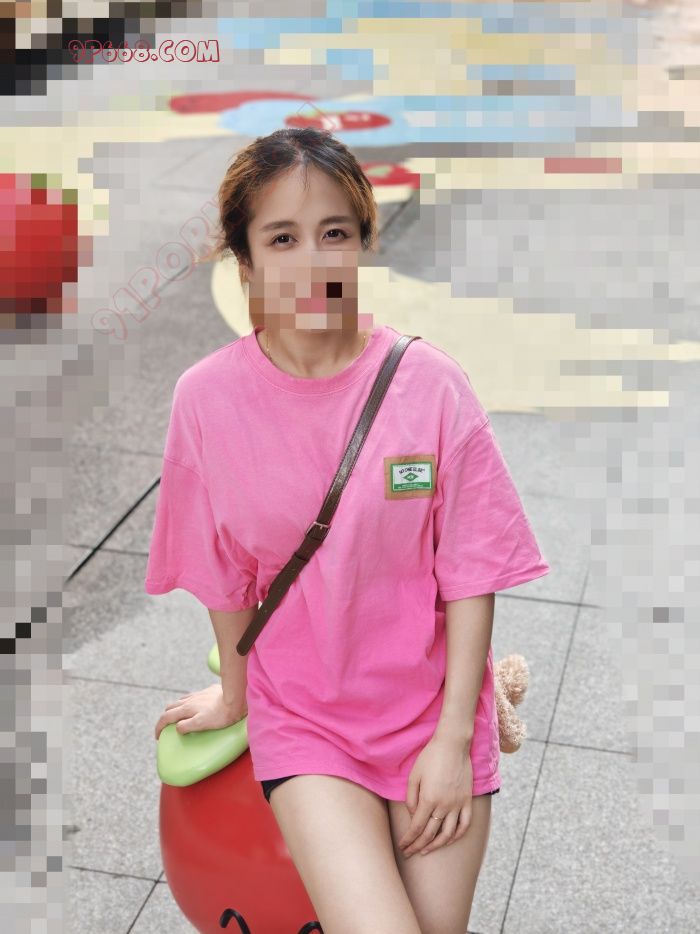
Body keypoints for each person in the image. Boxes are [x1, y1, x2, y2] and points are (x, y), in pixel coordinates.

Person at [145, 127, 550, 933]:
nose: (313, 261)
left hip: (433, 712)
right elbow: (222, 578)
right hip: (308, 718)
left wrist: (452, 739)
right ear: (244, 260)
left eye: (334, 232)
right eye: (282, 238)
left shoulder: (431, 386)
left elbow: (471, 571)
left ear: (364, 242)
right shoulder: (206, 400)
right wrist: (237, 696)